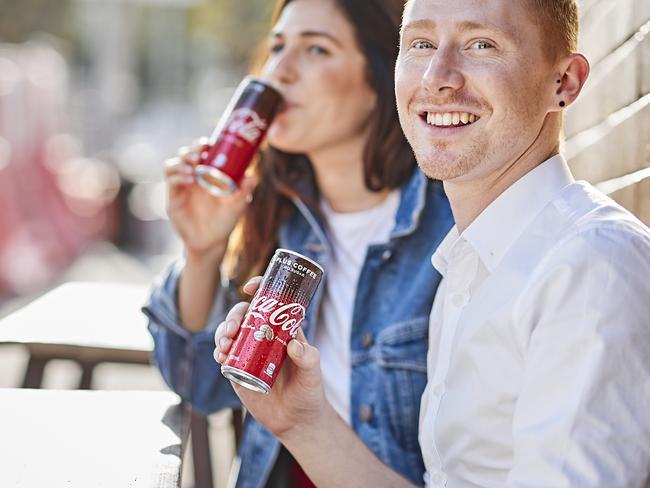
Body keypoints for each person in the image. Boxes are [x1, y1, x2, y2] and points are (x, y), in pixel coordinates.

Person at [214, 0, 650, 486]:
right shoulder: (468, 262)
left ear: (564, 82)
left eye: (481, 44)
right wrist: (302, 423)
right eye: (420, 44)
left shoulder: (589, 265)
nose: (438, 76)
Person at [143, 0, 454, 486]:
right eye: (278, 47)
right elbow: (199, 386)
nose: (280, 72)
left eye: (315, 50)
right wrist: (201, 252)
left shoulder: (449, 225)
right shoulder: (277, 217)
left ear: (381, 78)